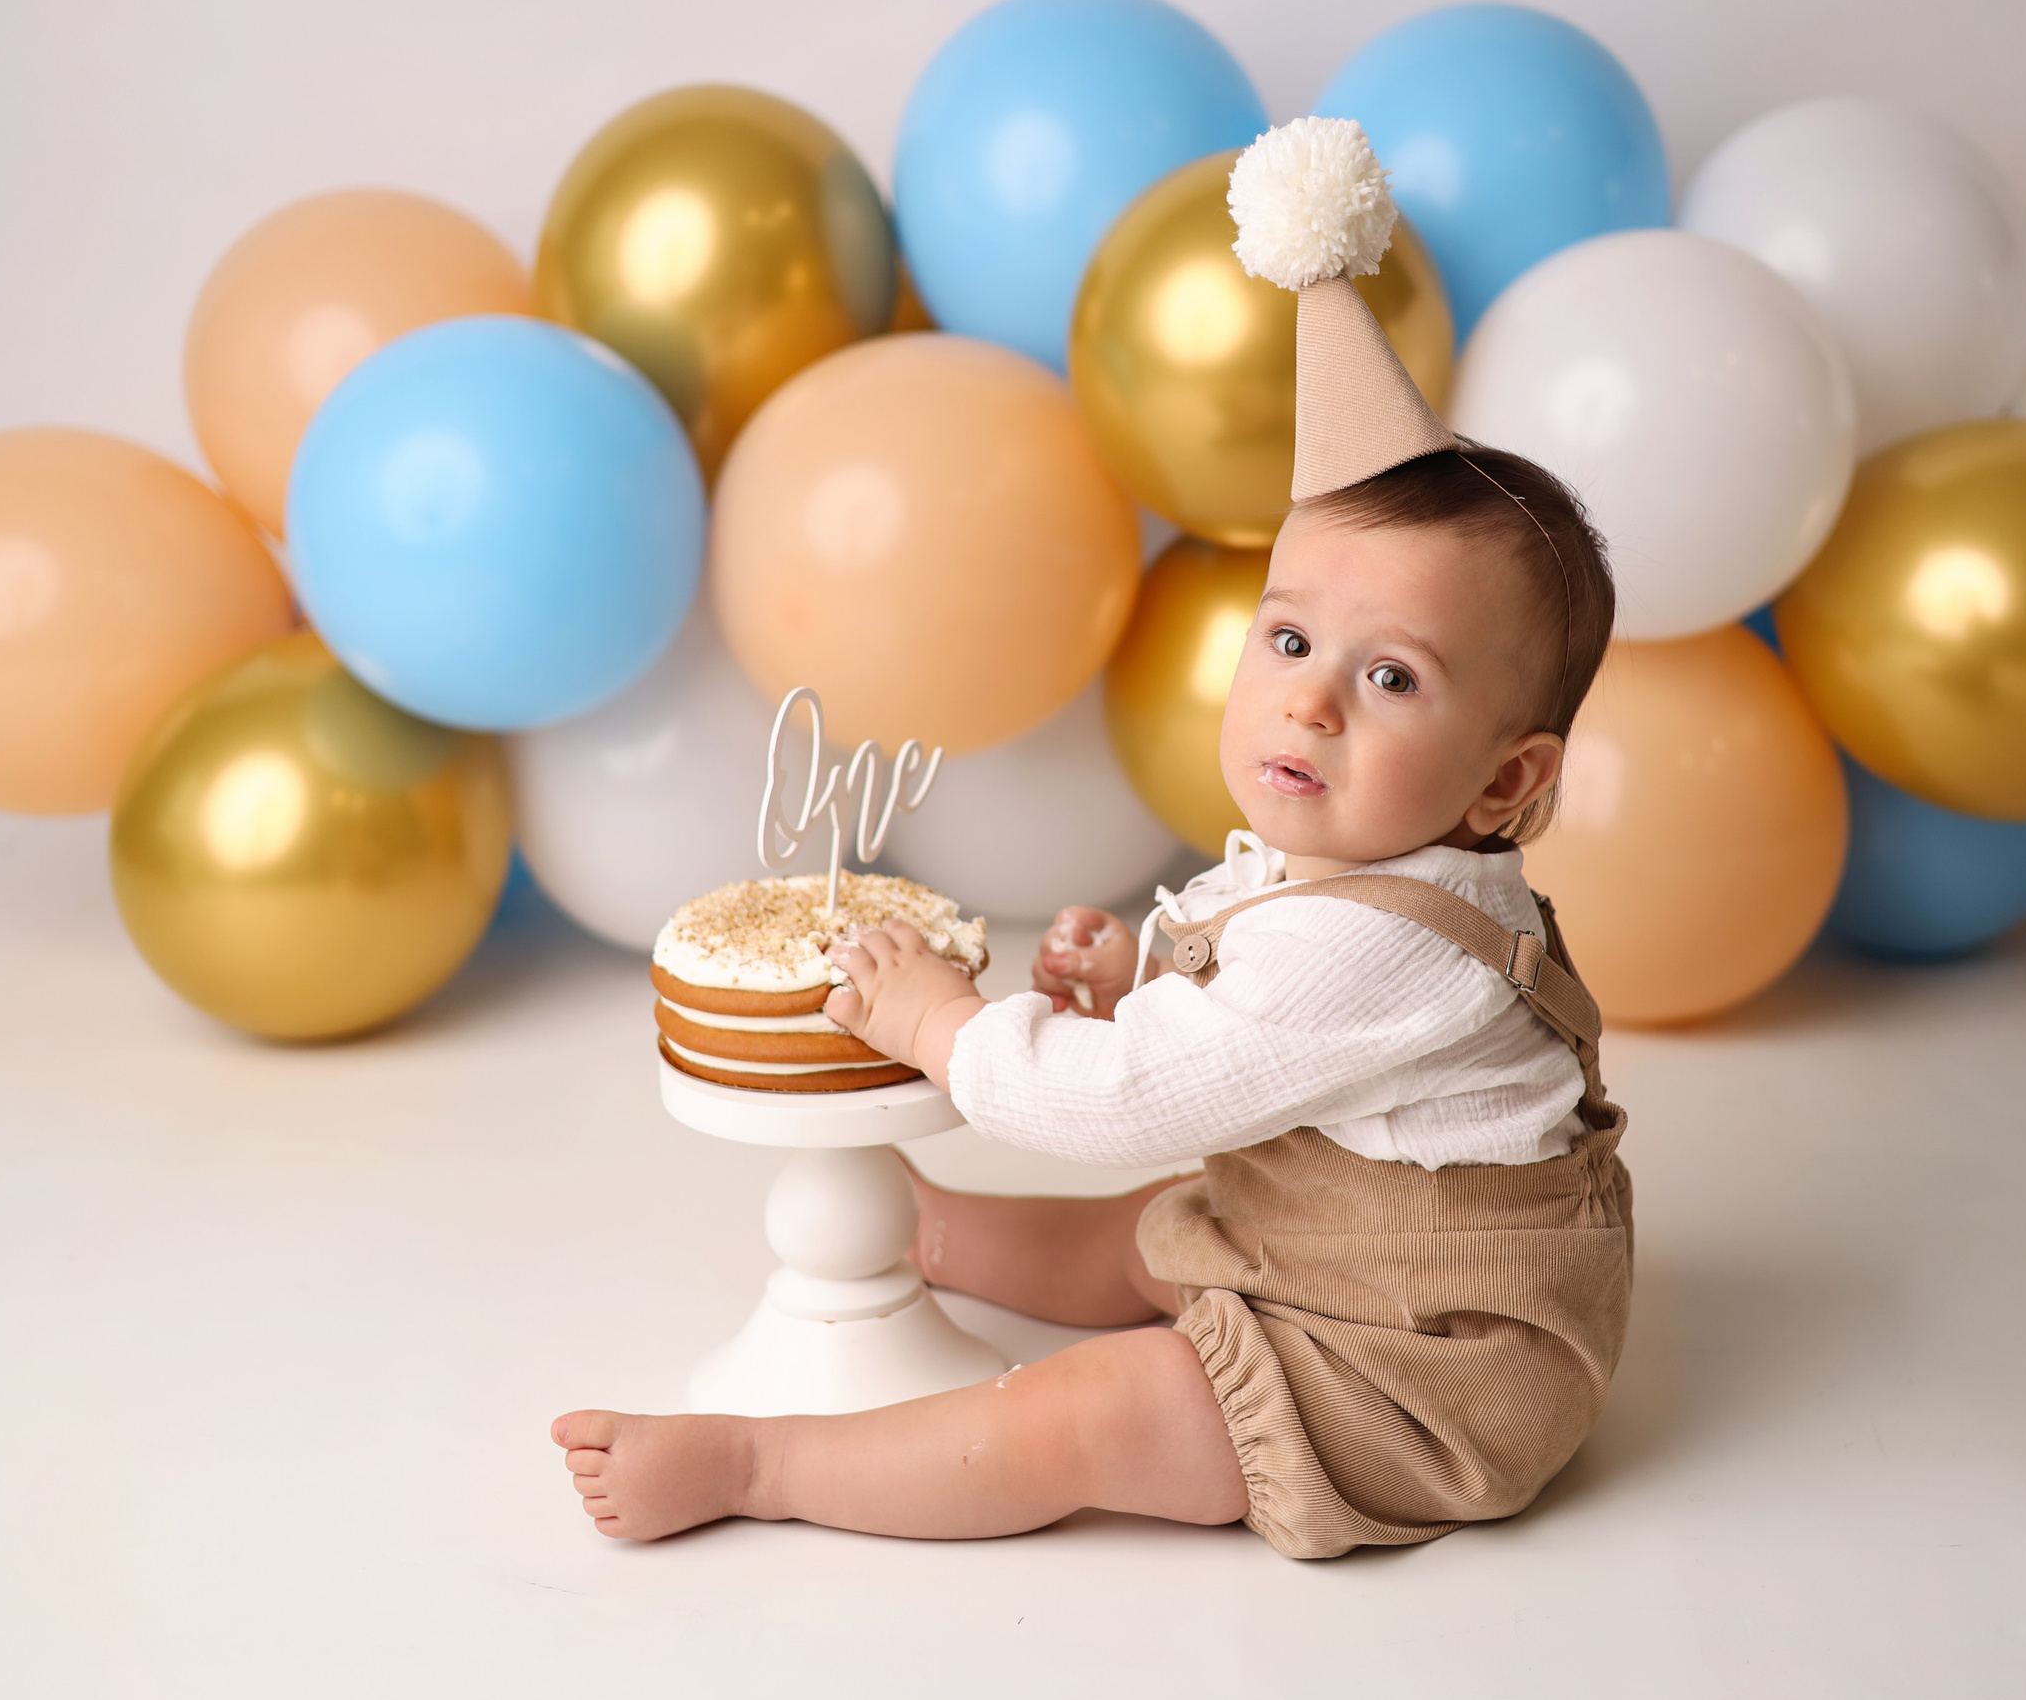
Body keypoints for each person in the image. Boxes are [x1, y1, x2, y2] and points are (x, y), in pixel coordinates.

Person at [555, 118, 1630, 1559]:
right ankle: (933, 1238)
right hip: (1334, 1229)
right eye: (1293, 637)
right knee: (1162, 1224)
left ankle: (764, 1464)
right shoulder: (1369, 876)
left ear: (1505, 786)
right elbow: (1264, 1033)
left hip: (1416, 1359)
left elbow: (1122, 1100)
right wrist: (1143, 982)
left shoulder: (1375, 941)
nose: (1308, 700)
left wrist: (947, 1027)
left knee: (1092, 1411)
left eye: (1390, 678)